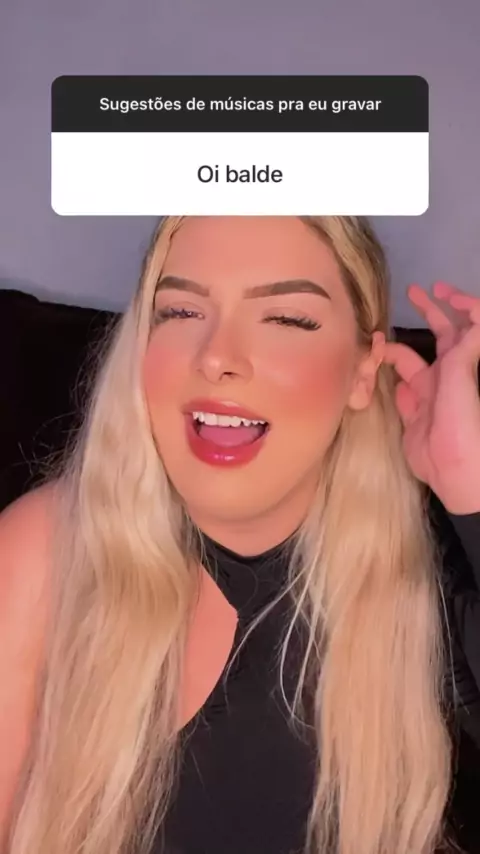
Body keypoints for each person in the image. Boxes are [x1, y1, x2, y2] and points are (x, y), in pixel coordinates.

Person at [0, 215, 479, 854]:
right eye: (181, 311)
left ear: (363, 371)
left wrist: (471, 489)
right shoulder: (43, 554)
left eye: (286, 319)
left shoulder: (423, 569)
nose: (217, 357)